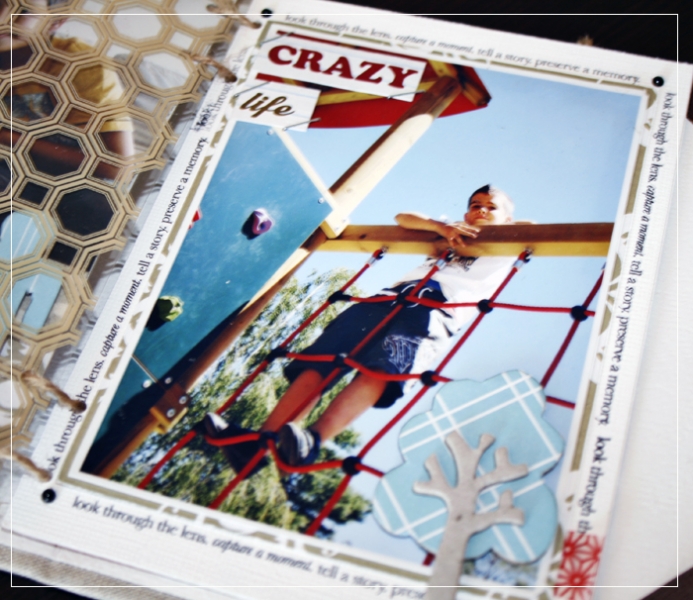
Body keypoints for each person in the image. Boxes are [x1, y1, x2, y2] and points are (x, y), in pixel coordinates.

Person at [204, 185, 519, 473]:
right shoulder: (452, 229)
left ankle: (313, 441)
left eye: (491, 207)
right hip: (390, 297)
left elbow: (527, 228)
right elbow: (403, 217)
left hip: (438, 308)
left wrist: (498, 228)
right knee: (322, 358)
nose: (481, 210)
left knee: (385, 366)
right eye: (475, 205)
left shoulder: (513, 240)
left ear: (507, 218)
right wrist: (441, 228)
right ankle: (260, 444)